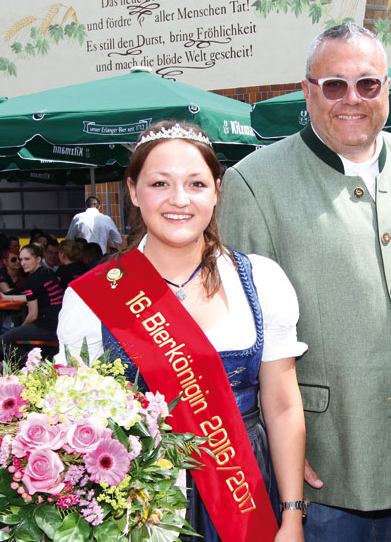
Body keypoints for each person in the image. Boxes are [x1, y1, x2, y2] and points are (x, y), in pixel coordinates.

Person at [217, 23, 391, 541]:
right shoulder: (254, 182)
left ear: (387, 90)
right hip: (325, 458)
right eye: (334, 85)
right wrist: (279, 444)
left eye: (368, 84)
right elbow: (244, 332)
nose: (352, 99)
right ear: (308, 92)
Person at [57, 121, 307, 541]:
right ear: (134, 192)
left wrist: (292, 517)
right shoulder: (92, 297)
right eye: (160, 183)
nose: (179, 200)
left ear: (216, 191)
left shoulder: (262, 280)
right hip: (137, 505)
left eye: (195, 183)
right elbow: (75, 417)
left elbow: (282, 406)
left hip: (245, 492)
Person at [0, 244, 63, 363]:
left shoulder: (31, 280)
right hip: (60, 325)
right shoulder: (49, 273)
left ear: (37, 260)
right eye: (21, 259)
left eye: (27, 259)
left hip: (45, 327)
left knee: (1, 341)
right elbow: (34, 297)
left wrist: (20, 329)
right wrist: (8, 297)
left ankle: (37, 365)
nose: (22, 263)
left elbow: (33, 315)